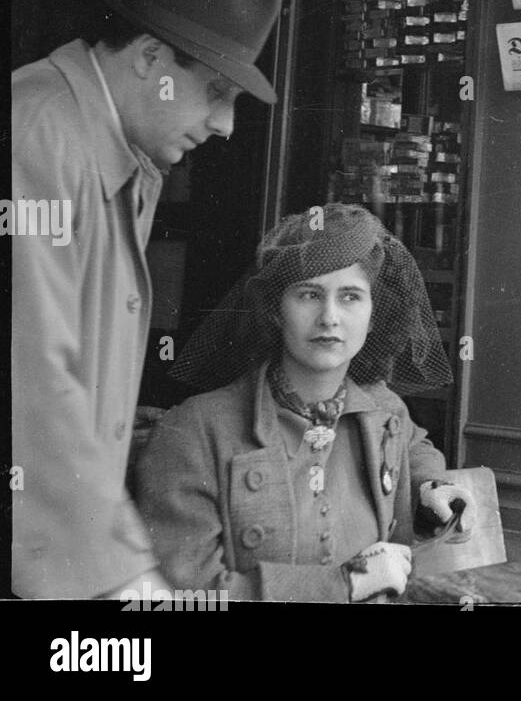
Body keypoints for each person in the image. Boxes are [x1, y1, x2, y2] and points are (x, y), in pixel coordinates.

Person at [11, 0, 282, 600]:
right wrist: (117, 570)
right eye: (216, 92)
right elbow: (31, 373)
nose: (223, 125)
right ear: (150, 58)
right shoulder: (40, 132)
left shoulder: (106, 141)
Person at [135, 203, 475, 602]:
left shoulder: (381, 408)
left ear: (372, 313)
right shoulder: (194, 432)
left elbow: (412, 446)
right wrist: (342, 585)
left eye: (350, 297)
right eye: (309, 294)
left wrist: (427, 487)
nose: (329, 317)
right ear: (276, 310)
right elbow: (182, 596)